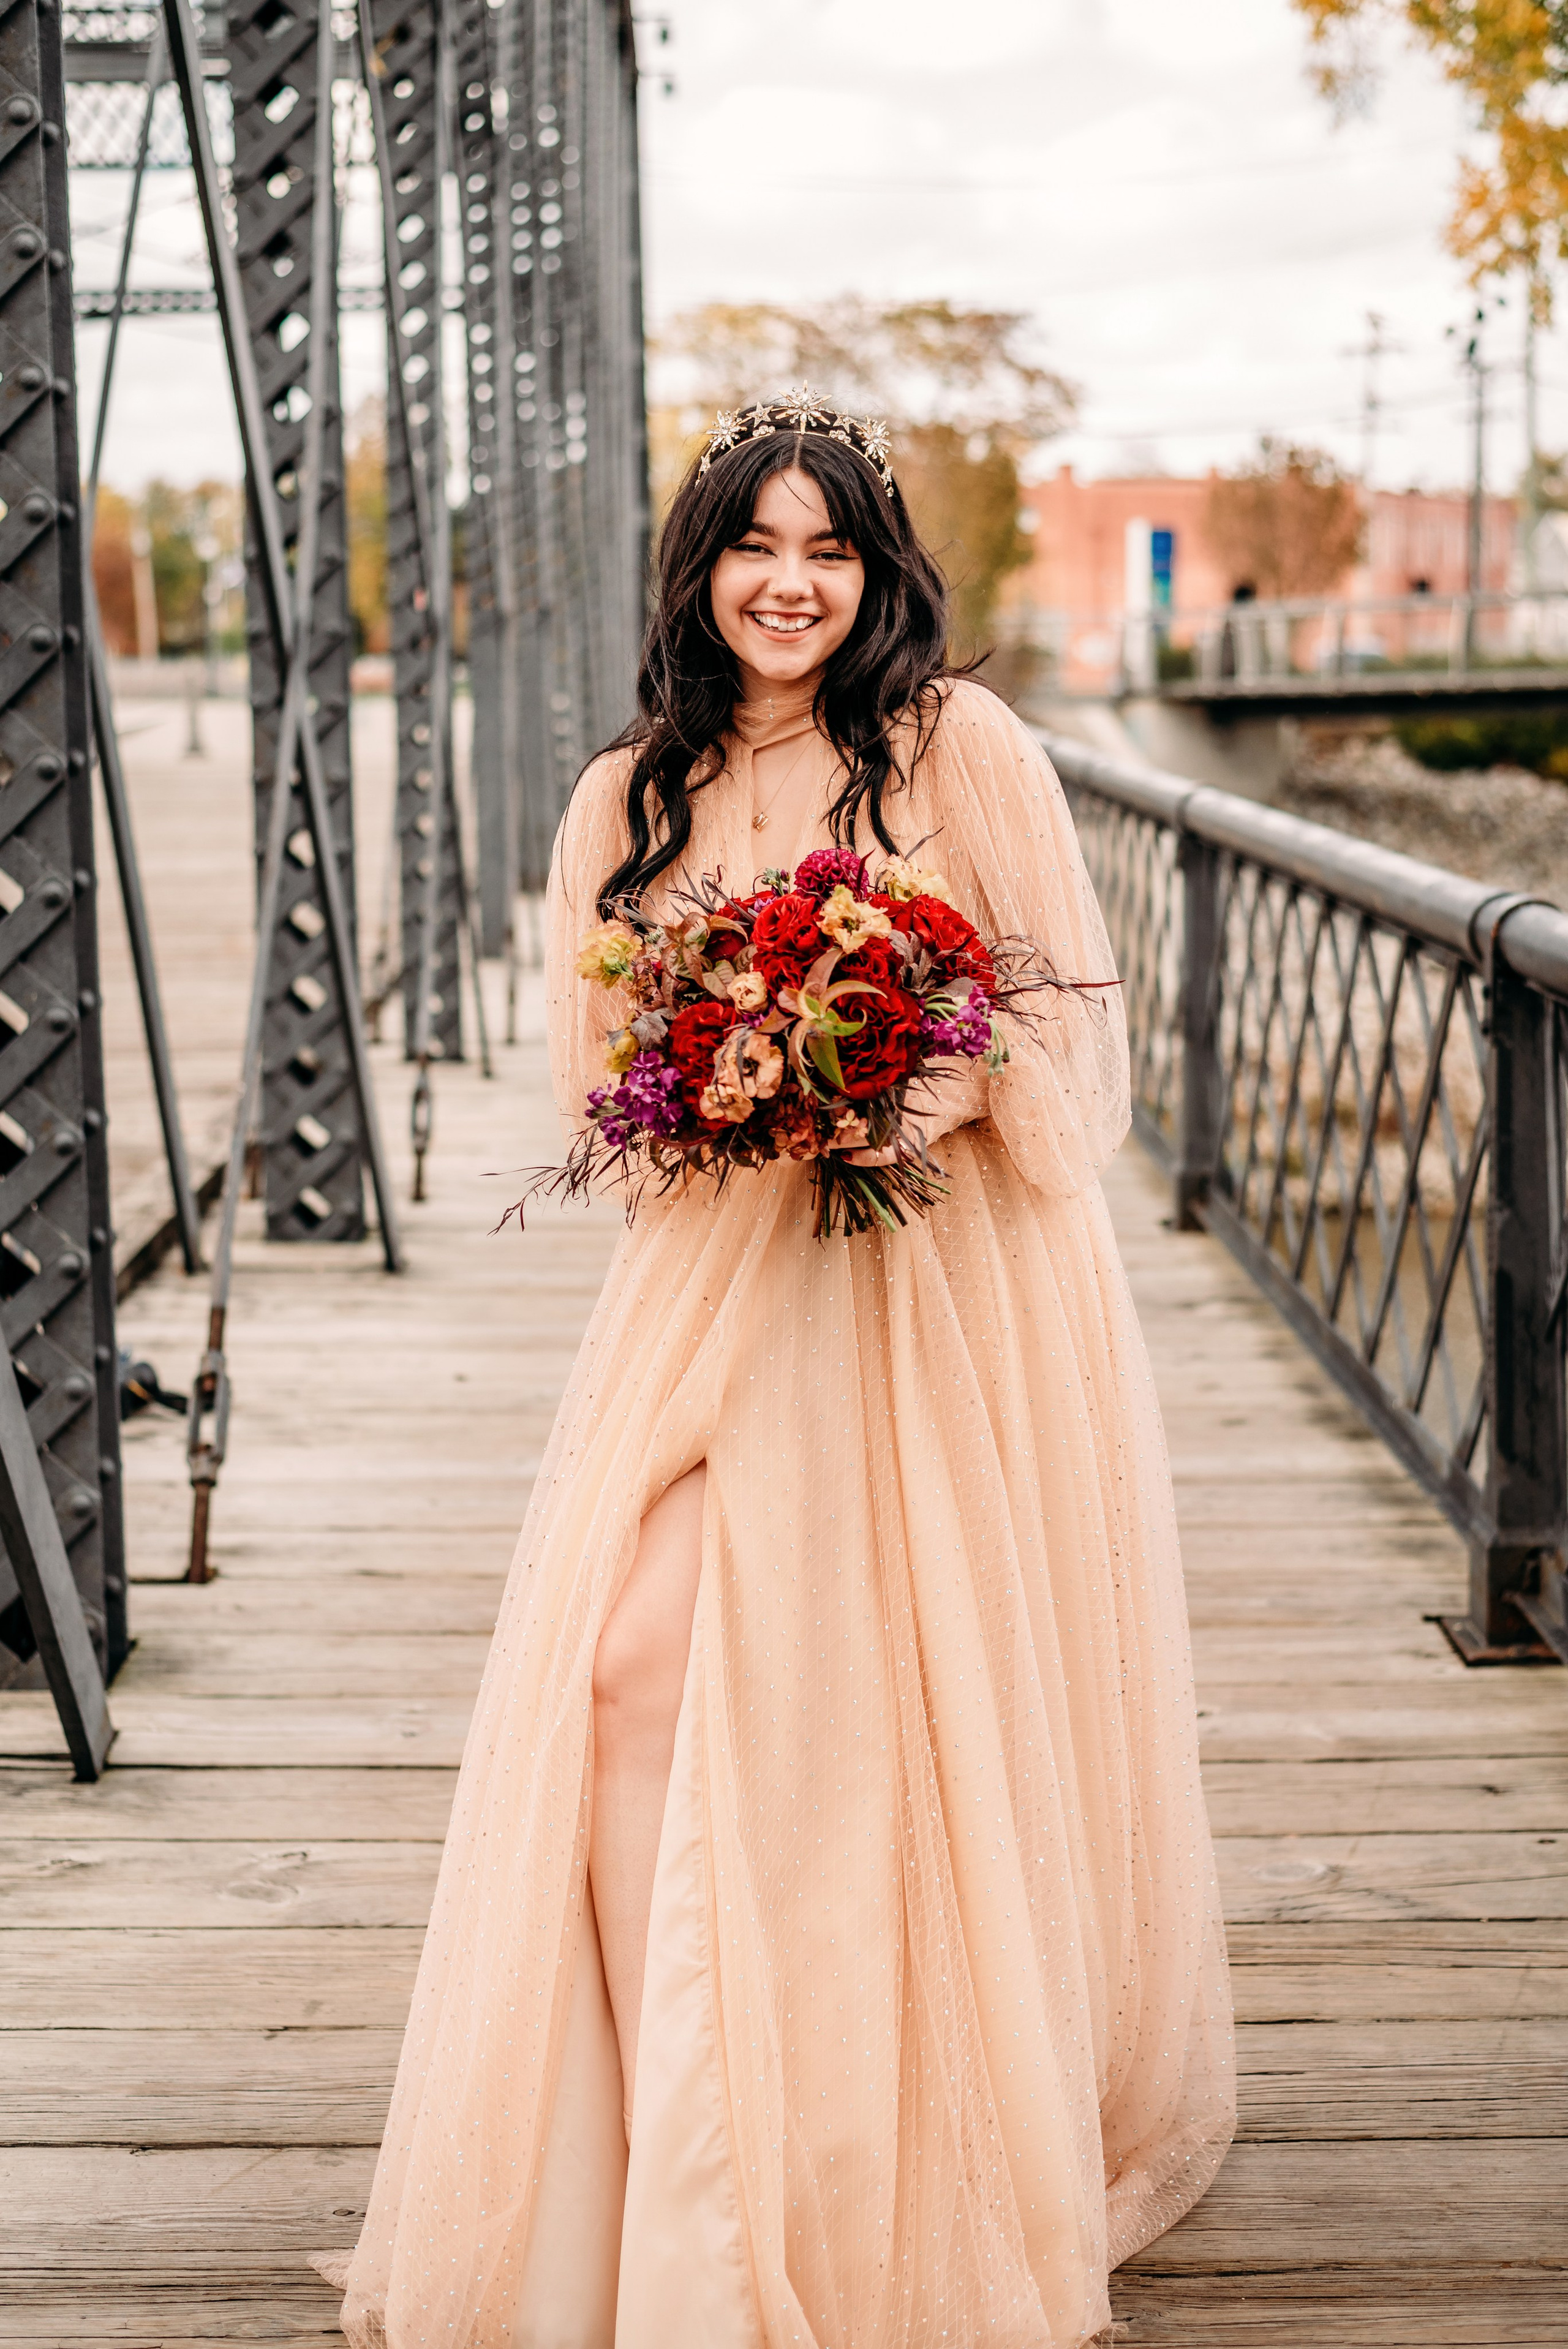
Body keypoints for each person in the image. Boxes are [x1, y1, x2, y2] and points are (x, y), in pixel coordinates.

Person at [327, 391, 1234, 2349]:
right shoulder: (620, 800)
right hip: (718, 1302)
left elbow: (1076, 1065)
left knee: (883, 1722)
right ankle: (682, 2153)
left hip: (935, 1302)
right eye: (758, 545)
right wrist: (737, 1079)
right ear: (704, 570)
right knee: (636, 1661)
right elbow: (603, 1114)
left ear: (875, 572)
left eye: (830, 549)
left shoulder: (958, 751)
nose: (793, 583)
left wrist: (917, 1074)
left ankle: (870, 2148)